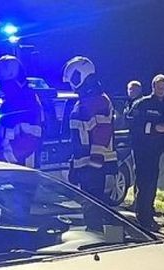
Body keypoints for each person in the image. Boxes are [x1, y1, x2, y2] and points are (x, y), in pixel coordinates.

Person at [63, 57, 117, 208]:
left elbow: (102, 134)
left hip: (97, 168)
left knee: (97, 214)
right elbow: (79, 138)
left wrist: (93, 165)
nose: (71, 86)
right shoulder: (84, 101)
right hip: (88, 166)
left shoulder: (98, 100)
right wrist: (75, 166)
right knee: (91, 213)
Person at [127, 74, 164, 230]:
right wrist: (153, 128)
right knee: (144, 183)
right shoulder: (142, 104)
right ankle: (143, 219)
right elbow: (131, 123)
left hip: (156, 150)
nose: (161, 90)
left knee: (152, 182)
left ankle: (149, 213)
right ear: (153, 87)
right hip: (142, 149)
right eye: (159, 87)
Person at [0, 55, 44, 167]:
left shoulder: (26, 101)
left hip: (23, 172)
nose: (1, 86)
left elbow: (29, 141)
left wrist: (2, 159)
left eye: (2, 81)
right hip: (10, 169)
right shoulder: (12, 101)